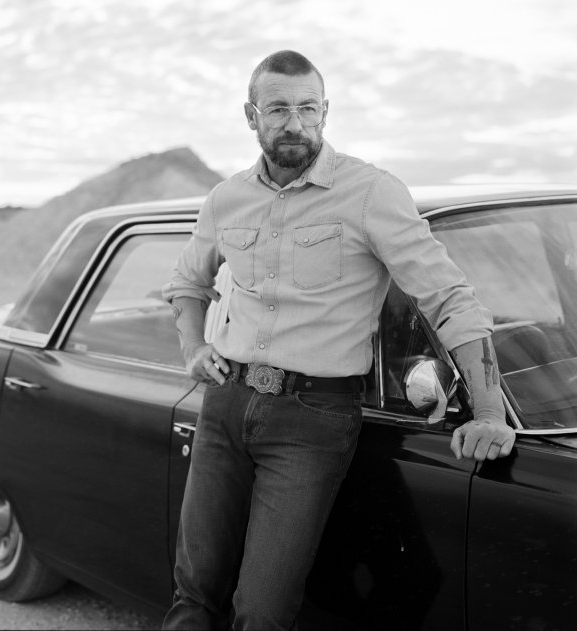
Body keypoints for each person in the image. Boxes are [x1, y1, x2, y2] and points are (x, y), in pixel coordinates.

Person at [160, 50, 516, 630]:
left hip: (312, 420)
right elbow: (187, 283)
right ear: (251, 116)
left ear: (325, 112)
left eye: (308, 108)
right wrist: (193, 349)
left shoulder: (371, 193)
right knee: (194, 592)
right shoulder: (226, 198)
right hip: (224, 407)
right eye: (278, 109)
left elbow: (449, 299)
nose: (295, 123)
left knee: (261, 611)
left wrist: (490, 412)